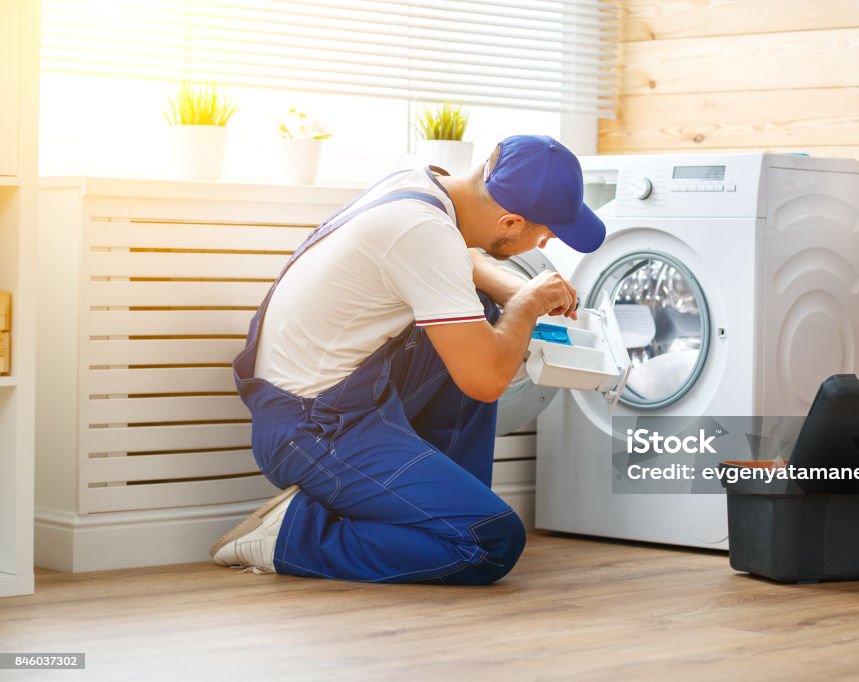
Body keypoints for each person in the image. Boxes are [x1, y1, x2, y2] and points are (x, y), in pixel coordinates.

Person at [210, 134, 605, 585]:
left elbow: (450, 261)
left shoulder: (421, 189)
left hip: (340, 400)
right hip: (312, 429)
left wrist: (512, 289)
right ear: (510, 222)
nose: (549, 241)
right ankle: (290, 537)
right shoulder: (424, 232)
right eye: (547, 233)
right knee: (490, 543)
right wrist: (526, 305)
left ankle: (441, 507)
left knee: (480, 309)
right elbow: (486, 380)